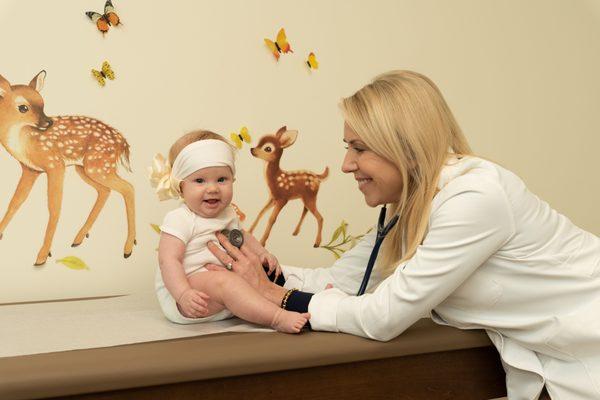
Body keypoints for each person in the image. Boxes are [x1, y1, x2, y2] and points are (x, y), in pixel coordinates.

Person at [204, 71, 600, 399]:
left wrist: (278, 297)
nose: (345, 165)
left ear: (406, 147)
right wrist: (257, 270)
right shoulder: (409, 207)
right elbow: (342, 283)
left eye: (359, 148)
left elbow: (384, 316)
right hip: (561, 361)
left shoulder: (475, 198)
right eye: (348, 147)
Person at [150, 130, 310, 333]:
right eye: (200, 181)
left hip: (225, 292)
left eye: (221, 179)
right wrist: (183, 294)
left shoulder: (227, 212)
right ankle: (277, 317)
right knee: (227, 281)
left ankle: (316, 298)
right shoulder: (180, 219)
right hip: (190, 293)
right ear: (180, 187)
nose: (213, 188)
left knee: (265, 274)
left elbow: (242, 237)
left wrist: (262, 254)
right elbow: (168, 261)